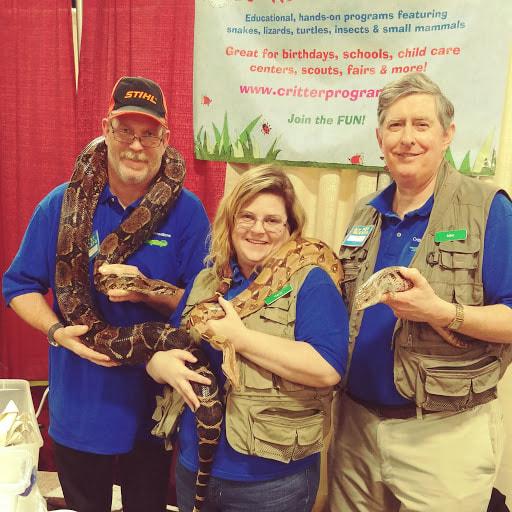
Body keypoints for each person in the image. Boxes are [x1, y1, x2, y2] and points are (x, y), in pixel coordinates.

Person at [2, 76, 210, 512]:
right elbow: (18, 286)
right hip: (82, 405)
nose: (137, 145)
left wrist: (146, 291)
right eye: (125, 131)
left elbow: (200, 303)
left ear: (165, 139)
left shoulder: (188, 211)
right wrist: (57, 330)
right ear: (106, 130)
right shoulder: (60, 204)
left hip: (152, 405)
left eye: (149, 134)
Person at [328, 72, 512, 511]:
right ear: (379, 137)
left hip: (443, 436)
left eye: (421, 124)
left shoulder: (489, 210)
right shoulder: (363, 215)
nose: (407, 138)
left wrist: (442, 312)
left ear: (448, 134)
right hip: (355, 428)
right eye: (395, 125)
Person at [147, 165, 349, 512]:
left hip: (271, 481)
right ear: (230, 221)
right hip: (195, 465)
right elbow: (172, 340)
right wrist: (157, 364)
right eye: (247, 217)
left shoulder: (310, 282)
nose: (258, 229)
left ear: (290, 229)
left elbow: (327, 369)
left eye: (272, 220)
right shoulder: (206, 281)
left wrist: (240, 338)